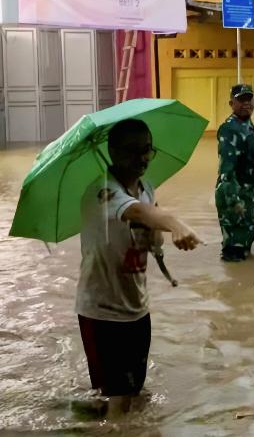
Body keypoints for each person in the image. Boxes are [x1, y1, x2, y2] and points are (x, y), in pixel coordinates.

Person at [77, 118, 200, 417]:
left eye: (147, 150)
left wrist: (157, 235)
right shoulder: (101, 191)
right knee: (118, 399)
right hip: (102, 313)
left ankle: (97, 416)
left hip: (136, 308)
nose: (143, 158)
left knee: (135, 391)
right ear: (114, 152)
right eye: (133, 151)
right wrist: (174, 223)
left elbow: (149, 230)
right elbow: (135, 210)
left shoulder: (146, 187)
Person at [215, 84, 254, 262]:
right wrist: (235, 202)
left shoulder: (250, 126)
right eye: (241, 100)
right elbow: (227, 170)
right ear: (231, 103)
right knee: (235, 252)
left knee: (246, 246)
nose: (246, 104)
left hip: (249, 196)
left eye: (249, 99)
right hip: (235, 195)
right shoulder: (229, 128)